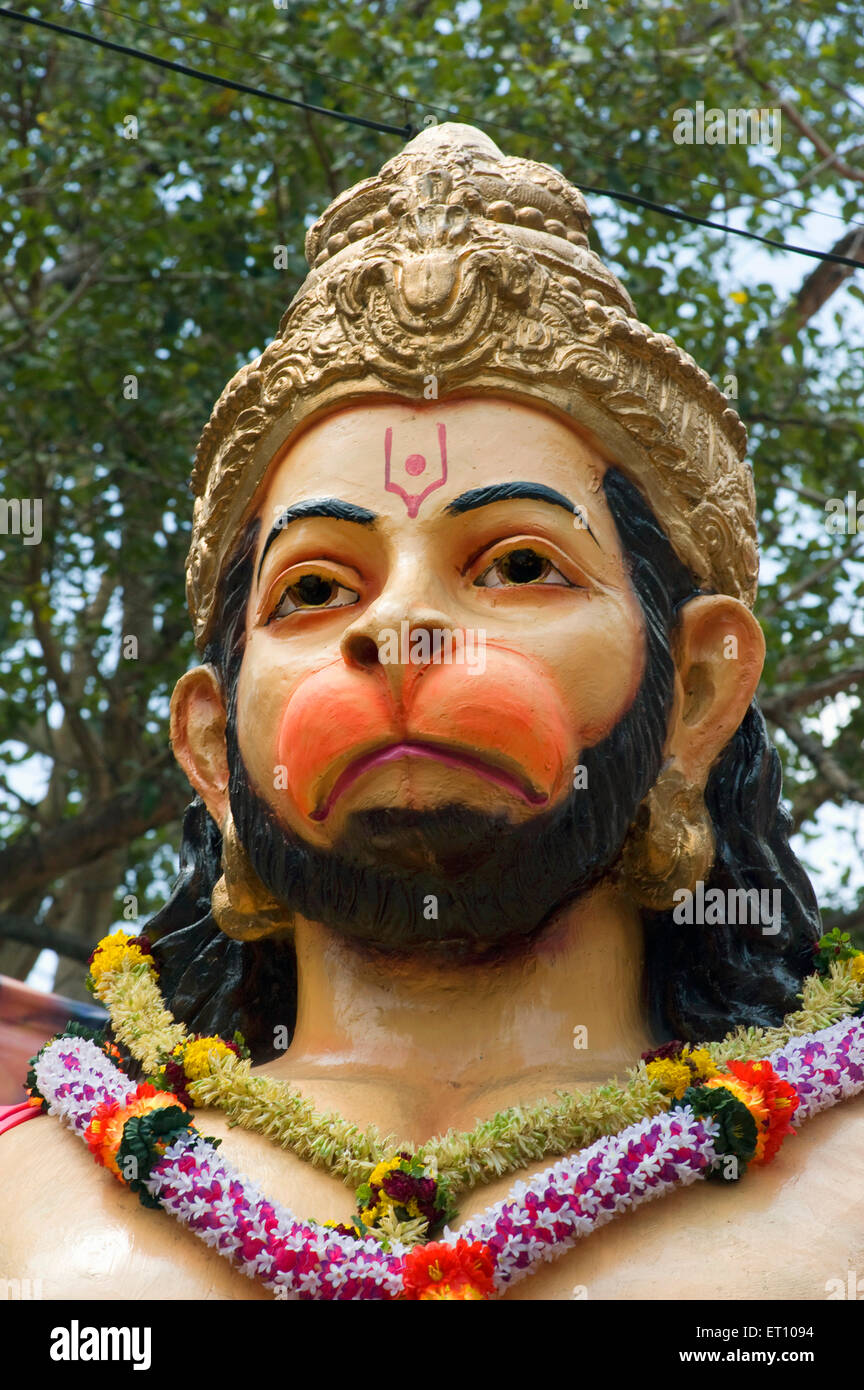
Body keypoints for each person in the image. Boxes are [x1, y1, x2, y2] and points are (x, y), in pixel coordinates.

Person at [3, 124, 862, 1302]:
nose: (400, 630)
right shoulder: (29, 1195)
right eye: (313, 588)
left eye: (516, 565)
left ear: (699, 690)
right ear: (211, 746)